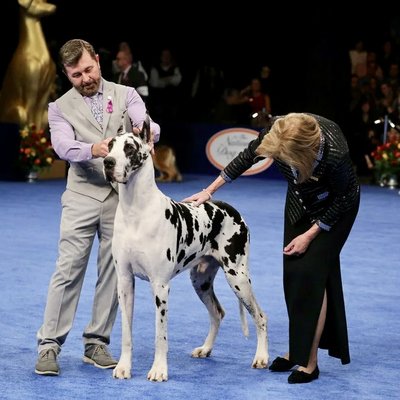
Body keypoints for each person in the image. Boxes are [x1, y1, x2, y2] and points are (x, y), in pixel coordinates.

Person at [183, 113, 360, 384]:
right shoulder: (280, 130)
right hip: (300, 202)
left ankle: (309, 363)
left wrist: (312, 234)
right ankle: (297, 350)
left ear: (303, 152)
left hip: (335, 209)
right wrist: (210, 191)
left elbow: (348, 196)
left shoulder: (335, 152)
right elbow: (246, 157)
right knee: (293, 275)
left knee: (310, 275)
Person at [34, 39, 160, 376]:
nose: (85, 78)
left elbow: (150, 126)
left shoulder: (126, 94)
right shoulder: (58, 107)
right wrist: (93, 149)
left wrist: (144, 131)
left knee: (113, 271)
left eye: (88, 70)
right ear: (67, 75)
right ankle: (49, 345)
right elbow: (62, 146)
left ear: (98, 63)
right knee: (69, 269)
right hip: (81, 196)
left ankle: (97, 342)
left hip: (121, 200)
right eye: (76, 75)